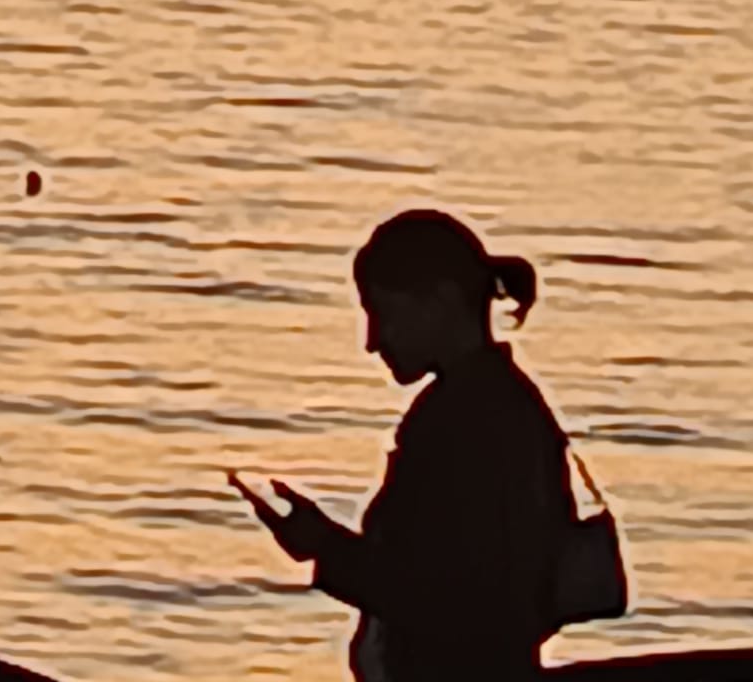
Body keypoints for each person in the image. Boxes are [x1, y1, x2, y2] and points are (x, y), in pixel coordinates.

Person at [234, 208, 576, 682]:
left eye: (384, 314)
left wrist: (324, 546)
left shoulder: (463, 421)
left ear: (441, 301)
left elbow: (441, 595)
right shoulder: (507, 405)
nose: (373, 341)